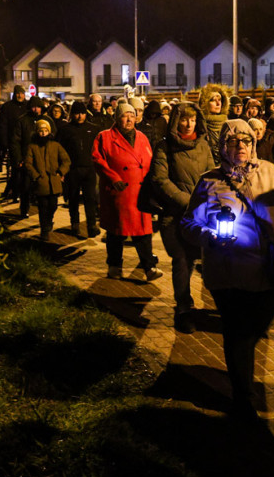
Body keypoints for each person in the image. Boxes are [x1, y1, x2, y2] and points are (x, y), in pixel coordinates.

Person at [181, 119, 274, 420]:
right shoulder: (209, 181)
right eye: (233, 142)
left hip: (266, 269)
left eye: (245, 141)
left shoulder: (270, 172)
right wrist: (210, 236)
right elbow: (188, 224)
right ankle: (243, 396)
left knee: (256, 326)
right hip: (228, 273)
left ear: (253, 144)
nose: (241, 147)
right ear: (223, 146)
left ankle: (242, 382)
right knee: (237, 336)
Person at [151, 101, 215, 333]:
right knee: (182, 261)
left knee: (209, 261)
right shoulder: (164, 146)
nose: (188, 124)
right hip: (174, 216)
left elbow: (212, 176)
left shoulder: (203, 145)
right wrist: (188, 202)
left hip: (202, 216)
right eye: (184, 119)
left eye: (192, 119)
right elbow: (160, 180)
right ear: (176, 122)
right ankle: (183, 307)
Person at [92, 103, 163, 281]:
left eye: (132, 115)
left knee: (143, 233)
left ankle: (149, 268)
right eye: (125, 115)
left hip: (140, 193)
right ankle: (114, 266)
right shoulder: (105, 137)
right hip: (120, 192)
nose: (130, 119)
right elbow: (98, 160)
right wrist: (113, 178)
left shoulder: (141, 137)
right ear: (117, 118)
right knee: (117, 233)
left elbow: (149, 160)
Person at [57, 101, 100, 236]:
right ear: (72, 114)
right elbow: (59, 149)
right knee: (73, 198)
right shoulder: (66, 130)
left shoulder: (93, 129)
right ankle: (75, 224)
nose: (80, 116)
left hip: (89, 168)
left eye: (82, 113)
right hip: (72, 169)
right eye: (77, 113)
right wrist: (61, 170)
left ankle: (91, 225)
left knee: (90, 198)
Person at [26, 117, 70, 241]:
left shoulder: (55, 145)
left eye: (45, 130)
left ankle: (49, 221)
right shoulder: (32, 147)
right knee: (43, 206)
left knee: (53, 205)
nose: (43, 133)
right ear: (37, 132)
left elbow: (66, 160)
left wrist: (60, 172)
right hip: (41, 182)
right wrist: (36, 175)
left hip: (54, 182)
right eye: (41, 130)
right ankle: (44, 229)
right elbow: (28, 163)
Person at [11, 96, 55, 218]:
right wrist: (19, 159)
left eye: (38, 107)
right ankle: (24, 208)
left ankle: (45, 213)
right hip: (27, 159)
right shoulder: (22, 121)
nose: (36, 109)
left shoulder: (47, 120)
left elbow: (54, 138)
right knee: (25, 187)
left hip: (44, 159)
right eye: (33, 107)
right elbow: (16, 141)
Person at [0, 85, 30, 201]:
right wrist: (4, 143)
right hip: (13, 143)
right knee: (16, 170)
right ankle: (15, 192)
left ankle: (23, 192)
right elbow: (3, 126)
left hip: (26, 143)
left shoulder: (28, 106)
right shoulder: (7, 107)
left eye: (21, 93)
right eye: (17, 93)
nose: (19, 95)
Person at [198, 83, 231, 164]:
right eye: (213, 100)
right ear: (205, 103)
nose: (218, 103)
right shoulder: (200, 124)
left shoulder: (228, 124)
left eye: (219, 100)